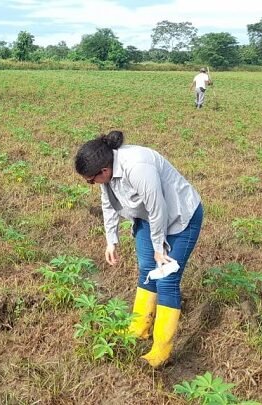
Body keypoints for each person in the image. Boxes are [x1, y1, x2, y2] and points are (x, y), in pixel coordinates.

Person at [74, 130, 203, 368]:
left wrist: (158, 247)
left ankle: (161, 352)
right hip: (147, 217)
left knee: (166, 278)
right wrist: (111, 239)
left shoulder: (138, 167)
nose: (91, 184)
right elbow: (108, 202)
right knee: (146, 270)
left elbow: (158, 210)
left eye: (91, 180)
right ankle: (138, 328)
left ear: (104, 170)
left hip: (180, 218)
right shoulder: (107, 171)